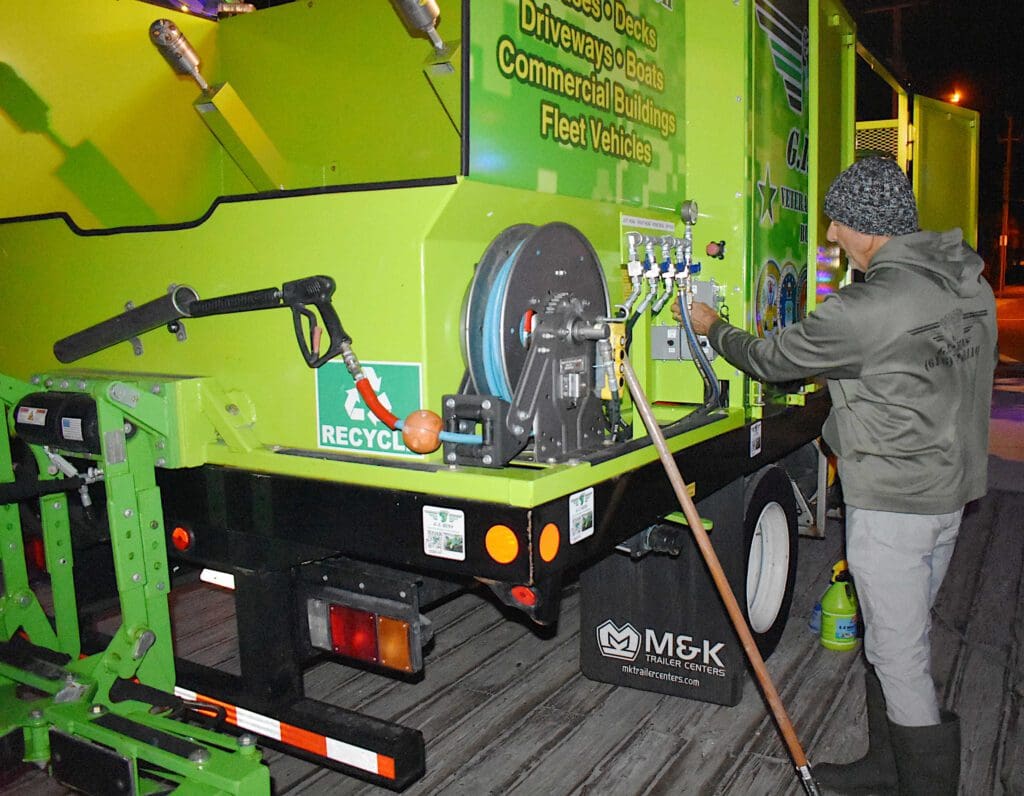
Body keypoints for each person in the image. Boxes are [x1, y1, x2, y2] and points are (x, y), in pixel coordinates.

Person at [673, 157, 997, 795]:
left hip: (894, 505)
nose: (827, 236)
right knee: (893, 634)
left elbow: (772, 360)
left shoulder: (867, 308)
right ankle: (885, 769)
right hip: (948, 496)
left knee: (899, 656)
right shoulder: (968, 283)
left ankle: (926, 786)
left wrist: (714, 328)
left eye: (836, 222)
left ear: (868, 228)